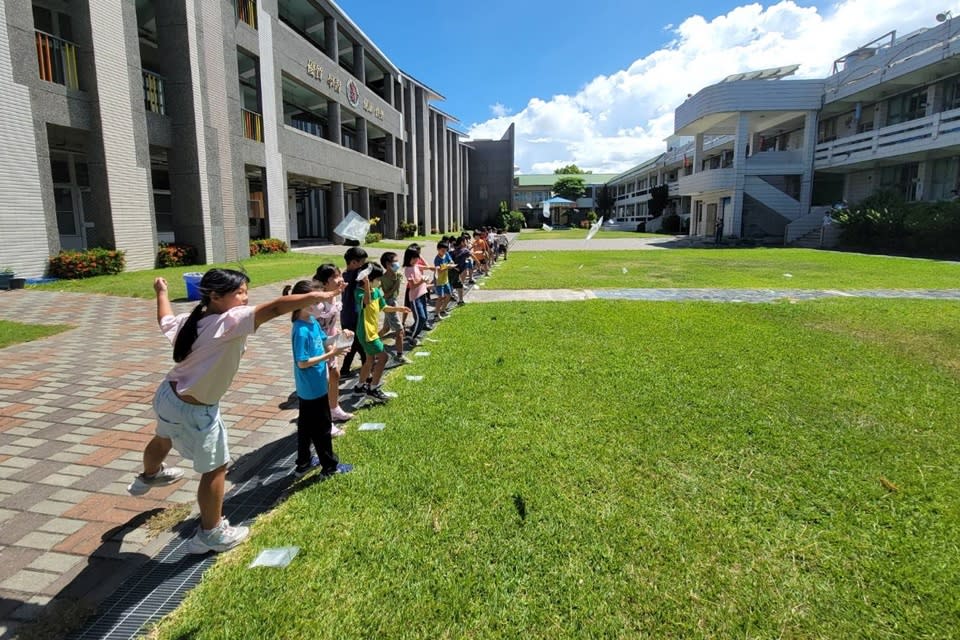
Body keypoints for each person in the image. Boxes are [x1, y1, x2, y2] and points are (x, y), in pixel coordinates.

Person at [128, 269, 336, 554]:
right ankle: (210, 534)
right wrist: (316, 295)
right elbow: (274, 308)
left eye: (246, 291)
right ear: (215, 296)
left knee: (163, 437)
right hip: (196, 410)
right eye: (239, 292)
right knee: (216, 467)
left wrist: (162, 293)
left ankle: (147, 477)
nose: (245, 297)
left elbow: (164, 318)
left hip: (168, 395)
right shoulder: (230, 320)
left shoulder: (192, 320)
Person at [284, 280, 353, 478]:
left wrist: (340, 337)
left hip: (314, 385)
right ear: (302, 302)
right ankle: (329, 467)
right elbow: (303, 362)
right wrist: (330, 355)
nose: (321, 304)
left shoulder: (312, 322)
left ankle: (303, 463)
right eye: (317, 300)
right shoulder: (300, 329)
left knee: (305, 428)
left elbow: (324, 341)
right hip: (312, 389)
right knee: (322, 428)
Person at [354, 262, 410, 401]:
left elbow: (384, 308)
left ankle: (360, 386)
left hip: (372, 331)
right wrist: (366, 284)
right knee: (384, 357)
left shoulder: (377, 291)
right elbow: (366, 301)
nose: (379, 282)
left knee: (369, 360)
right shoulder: (360, 292)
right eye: (377, 279)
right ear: (368, 279)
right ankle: (373, 389)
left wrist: (399, 309)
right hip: (366, 333)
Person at [310, 263, 353, 427]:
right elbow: (312, 326)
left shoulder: (334, 297)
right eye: (335, 276)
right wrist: (328, 345)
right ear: (324, 282)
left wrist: (342, 334)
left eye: (340, 274)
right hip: (317, 343)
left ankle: (334, 409)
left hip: (331, 340)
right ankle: (324, 420)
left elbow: (333, 322)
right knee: (324, 381)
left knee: (335, 374)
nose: (340, 279)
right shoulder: (317, 302)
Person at [339, 246, 368, 378]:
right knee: (358, 343)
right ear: (353, 263)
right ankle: (367, 365)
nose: (363, 265)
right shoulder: (353, 275)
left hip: (347, 315)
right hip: (352, 316)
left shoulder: (345, 274)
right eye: (361, 262)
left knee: (354, 343)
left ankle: (346, 369)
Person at [378, 252, 410, 365]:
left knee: (386, 329)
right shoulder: (383, 278)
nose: (397, 264)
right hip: (390, 303)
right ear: (387, 264)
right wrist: (396, 284)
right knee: (400, 331)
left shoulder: (397, 274)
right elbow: (385, 295)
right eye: (394, 261)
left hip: (394, 302)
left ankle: (372, 343)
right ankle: (399, 356)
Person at [403, 245, 429, 344]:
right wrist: (422, 280)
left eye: (416, 258)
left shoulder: (416, 266)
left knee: (424, 318)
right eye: (413, 258)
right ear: (408, 258)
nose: (415, 260)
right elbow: (412, 286)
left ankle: (411, 333)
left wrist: (424, 279)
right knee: (421, 318)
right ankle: (412, 337)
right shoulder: (408, 269)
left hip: (422, 294)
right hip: (415, 297)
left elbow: (426, 267)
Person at [432, 242, 454, 318]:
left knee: (449, 295)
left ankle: (443, 310)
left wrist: (451, 264)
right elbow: (439, 270)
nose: (444, 251)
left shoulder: (447, 254)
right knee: (440, 298)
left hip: (445, 280)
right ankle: (436, 315)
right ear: (438, 249)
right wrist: (448, 266)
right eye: (442, 250)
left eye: (445, 250)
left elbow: (451, 261)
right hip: (439, 281)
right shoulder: (437, 259)